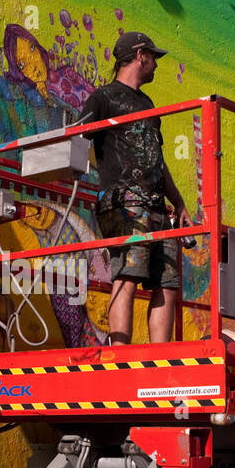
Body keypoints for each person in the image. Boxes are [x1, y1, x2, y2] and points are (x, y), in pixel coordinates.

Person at [74, 31, 190, 345]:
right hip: (124, 202)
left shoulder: (147, 104)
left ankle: (158, 364)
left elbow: (157, 160)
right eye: (153, 57)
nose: (156, 65)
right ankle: (121, 359)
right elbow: (74, 136)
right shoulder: (103, 97)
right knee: (127, 275)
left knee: (166, 283)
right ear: (140, 55)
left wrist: (178, 203)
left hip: (155, 206)